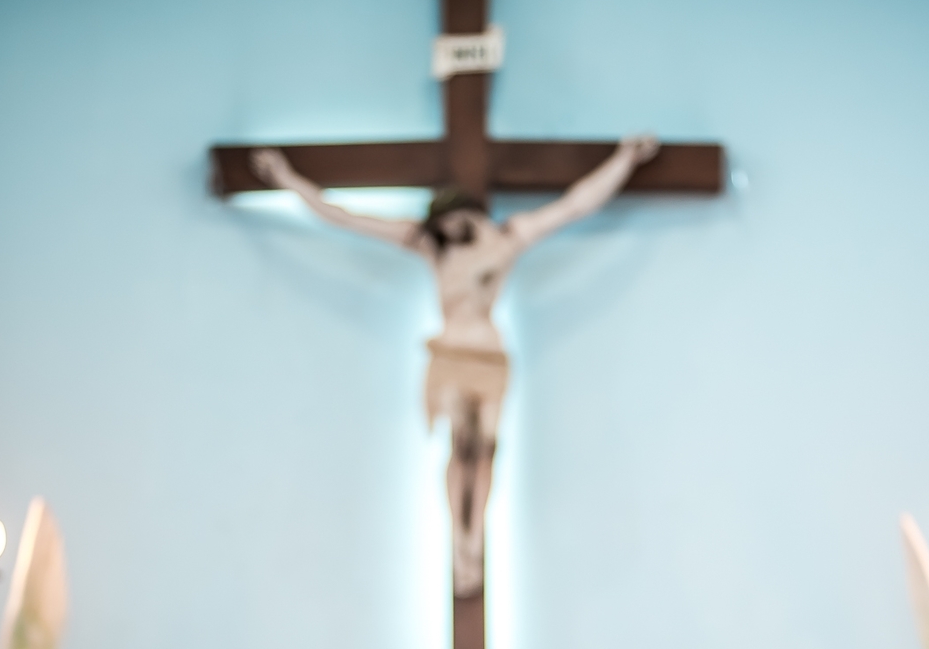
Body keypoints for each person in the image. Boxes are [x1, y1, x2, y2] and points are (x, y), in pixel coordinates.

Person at [251, 139, 659, 603]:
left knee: (484, 452)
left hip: (489, 359)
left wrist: (625, 158)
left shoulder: (508, 238)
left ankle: (474, 537)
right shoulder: (432, 247)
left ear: (470, 215)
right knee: (457, 449)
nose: (450, 231)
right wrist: (288, 181)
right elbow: (345, 217)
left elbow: (576, 205)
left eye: (456, 222)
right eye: (442, 225)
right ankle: (458, 544)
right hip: (448, 355)